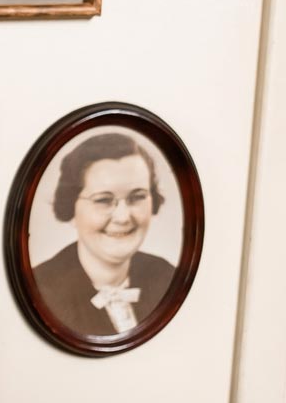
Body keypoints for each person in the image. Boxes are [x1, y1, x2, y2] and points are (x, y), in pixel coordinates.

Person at [32, 131, 179, 338]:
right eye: (103, 200)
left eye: (137, 197)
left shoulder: (168, 278)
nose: (122, 217)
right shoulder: (41, 290)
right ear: (70, 208)